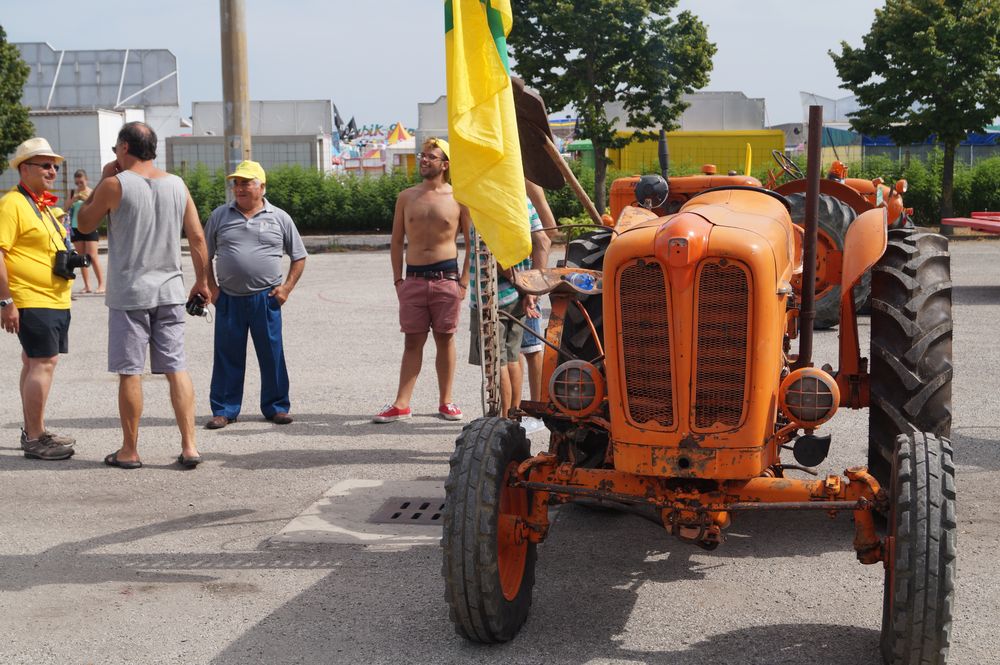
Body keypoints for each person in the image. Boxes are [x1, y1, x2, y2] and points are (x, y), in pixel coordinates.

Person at [77, 121, 210, 469]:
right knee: (176, 368)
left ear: (124, 147)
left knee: (130, 372)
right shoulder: (177, 185)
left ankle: (130, 450)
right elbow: (197, 237)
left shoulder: (115, 184)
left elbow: (84, 224)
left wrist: (101, 181)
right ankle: (190, 446)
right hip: (170, 290)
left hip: (130, 293)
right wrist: (202, 282)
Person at [202, 160, 306, 429]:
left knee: (272, 354)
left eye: (246, 183)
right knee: (227, 355)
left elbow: (299, 256)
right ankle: (224, 410)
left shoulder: (280, 217)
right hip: (228, 298)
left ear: (261, 186)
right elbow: (204, 255)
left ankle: (277, 407)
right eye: (236, 183)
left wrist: (286, 289)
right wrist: (212, 288)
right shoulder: (219, 216)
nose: (239, 188)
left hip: (266, 299)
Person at [373, 138, 471, 423]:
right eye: (422, 155)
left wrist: (463, 282)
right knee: (412, 341)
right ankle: (401, 404)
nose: (424, 160)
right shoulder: (406, 197)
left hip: (446, 278)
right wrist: (398, 280)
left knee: (445, 339)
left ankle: (446, 401)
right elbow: (396, 241)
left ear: (445, 164)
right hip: (413, 279)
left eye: (431, 156)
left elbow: (472, 244)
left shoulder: (459, 198)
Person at [0, 137, 76, 461]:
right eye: (45, 165)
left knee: (33, 362)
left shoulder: (42, 205)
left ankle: (35, 429)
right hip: (32, 298)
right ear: (24, 169)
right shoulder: (12, 204)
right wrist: (6, 301)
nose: (52, 171)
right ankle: (34, 438)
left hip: (54, 298)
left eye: (54, 166)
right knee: (43, 363)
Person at [467, 191, 549, 419]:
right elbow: (543, 240)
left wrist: (518, 282)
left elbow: (494, 252)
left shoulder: (486, 200)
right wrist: (531, 287)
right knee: (512, 358)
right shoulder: (523, 200)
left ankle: (502, 419)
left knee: (498, 362)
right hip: (519, 296)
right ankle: (513, 417)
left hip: (492, 296)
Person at [518, 181, 557, 407]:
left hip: (525, 277)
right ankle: (513, 408)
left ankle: (538, 405)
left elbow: (549, 231)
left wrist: (534, 280)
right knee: (511, 352)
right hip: (502, 280)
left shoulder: (526, 181)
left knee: (530, 348)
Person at [69, 169, 105, 294]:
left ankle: (101, 285)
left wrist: (85, 198)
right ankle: (87, 286)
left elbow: (97, 207)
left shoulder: (92, 192)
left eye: (81, 182)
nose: (79, 185)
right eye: (77, 183)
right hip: (75, 227)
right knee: (81, 257)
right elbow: (66, 208)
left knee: (93, 256)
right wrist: (73, 199)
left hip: (90, 226)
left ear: (86, 180)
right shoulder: (72, 193)